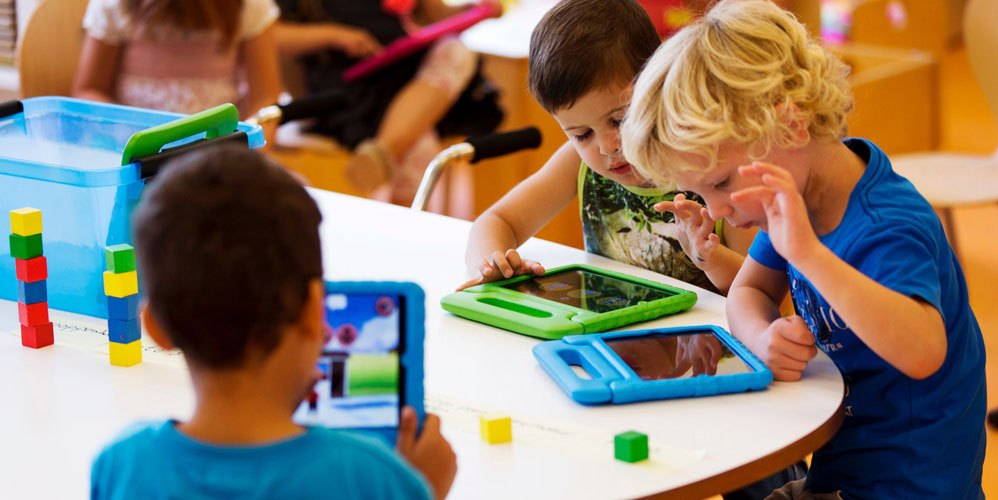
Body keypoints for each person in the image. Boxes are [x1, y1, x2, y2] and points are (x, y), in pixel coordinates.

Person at [621, 1, 987, 498]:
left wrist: (810, 254)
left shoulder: (886, 225)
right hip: (839, 474)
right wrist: (762, 336)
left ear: (791, 127)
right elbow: (748, 291)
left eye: (721, 182)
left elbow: (924, 353)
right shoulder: (795, 196)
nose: (718, 209)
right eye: (702, 192)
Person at [90, 146, 456, 500]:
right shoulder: (370, 477)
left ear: (155, 327)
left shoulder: (122, 466)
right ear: (315, 311)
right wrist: (422, 489)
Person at [461, 0, 756, 296]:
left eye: (620, 120)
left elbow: (759, 290)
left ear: (659, 80)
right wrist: (490, 266)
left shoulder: (713, 167)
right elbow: (497, 221)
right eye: (582, 134)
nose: (606, 146)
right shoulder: (577, 163)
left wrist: (710, 257)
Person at [274, 0, 503, 206]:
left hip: (402, 74)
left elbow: (434, 13)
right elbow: (269, 35)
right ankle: (386, 159)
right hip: (345, 89)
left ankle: (382, 153)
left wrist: (474, 11)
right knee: (420, 141)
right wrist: (335, 35)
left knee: (455, 50)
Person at [73, 0, 282, 127]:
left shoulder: (249, 6)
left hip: (220, 154)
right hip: (138, 160)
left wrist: (251, 149)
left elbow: (264, 99)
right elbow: (89, 89)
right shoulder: (115, 5)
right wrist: (123, 132)